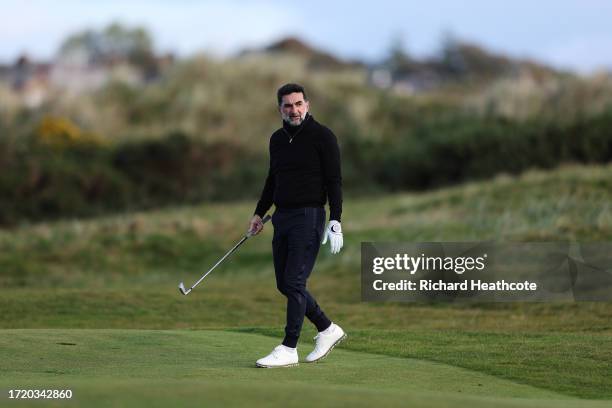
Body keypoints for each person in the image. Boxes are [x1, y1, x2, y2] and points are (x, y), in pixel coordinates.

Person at [248, 83, 346, 368]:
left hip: (309, 216)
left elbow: (334, 182)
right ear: (280, 109)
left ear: (307, 104)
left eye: (299, 103)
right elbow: (272, 179)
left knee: (294, 281)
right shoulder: (277, 139)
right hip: (282, 217)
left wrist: (336, 219)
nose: (294, 110)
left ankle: (289, 347)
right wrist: (258, 213)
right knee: (285, 283)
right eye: (288, 105)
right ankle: (328, 329)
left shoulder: (323, 136)